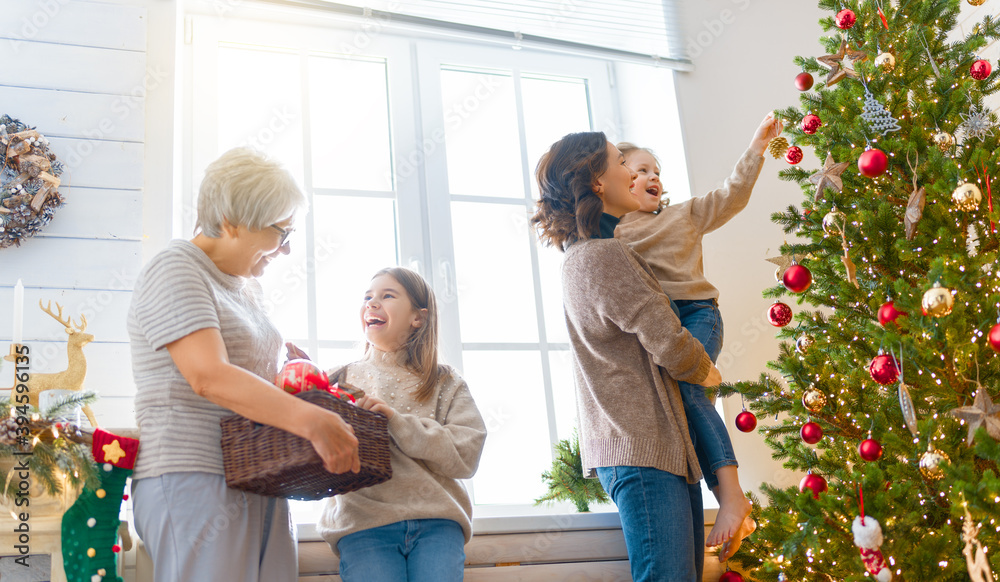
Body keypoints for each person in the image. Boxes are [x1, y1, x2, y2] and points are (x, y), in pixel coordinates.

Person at [128, 147, 360, 582]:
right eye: (281, 232)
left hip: (258, 474)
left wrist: (310, 387)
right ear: (233, 221)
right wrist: (310, 419)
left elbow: (250, 382)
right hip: (193, 474)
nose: (286, 250)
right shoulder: (176, 268)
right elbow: (209, 376)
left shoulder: (245, 289)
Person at [530, 132, 723, 582]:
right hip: (643, 451)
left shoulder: (588, 255)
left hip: (649, 449)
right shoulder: (605, 256)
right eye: (620, 162)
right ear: (598, 181)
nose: (630, 173)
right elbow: (673, 346)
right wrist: (709, 375)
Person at [615, 112, 782, 560]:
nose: (652, 177)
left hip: (697, 316)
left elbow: (730, 196)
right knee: (675, 400)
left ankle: (731, 494)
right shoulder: (611, 235)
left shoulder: (682, 215)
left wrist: (756, 148)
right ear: (614, 180)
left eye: (657, 171)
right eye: (640, 170)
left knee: (691, 389)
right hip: (659, 329)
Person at [315, 267, 487, 582]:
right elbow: (305, 433)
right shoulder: (339, 379)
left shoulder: (445, 381)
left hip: (437, 523)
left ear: (417, 318)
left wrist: (395, 421)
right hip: (363, 523)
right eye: (367, 297)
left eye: (387, 296)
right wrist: (302, 379)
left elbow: (466, 454)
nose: (371, 303)